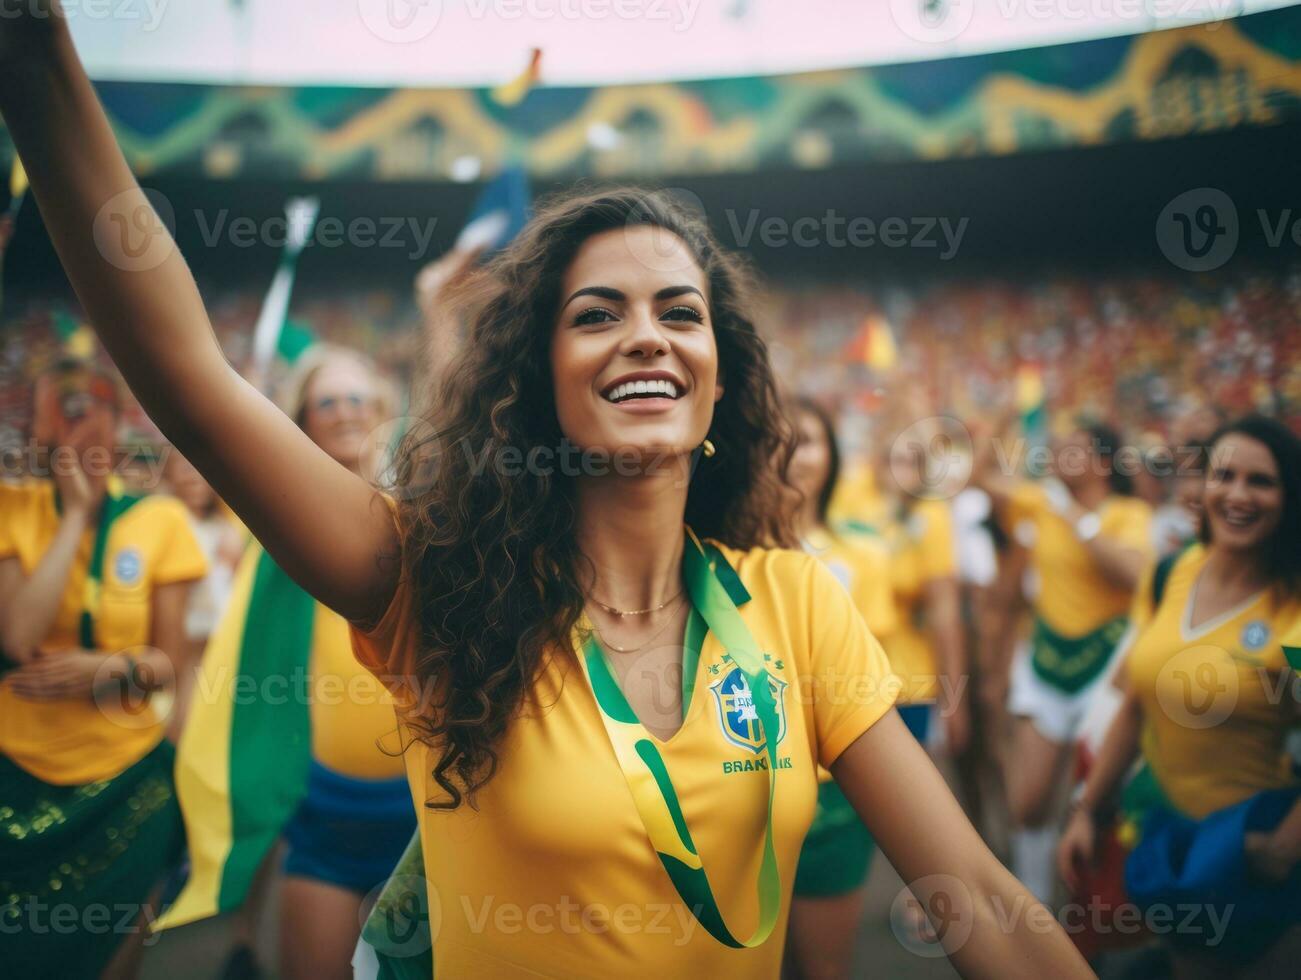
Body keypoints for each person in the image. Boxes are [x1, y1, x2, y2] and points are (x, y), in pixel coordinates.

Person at [0, 14, 1093, 976]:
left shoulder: (797, 606)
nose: (646, 335)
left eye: (679, 310)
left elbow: (971, 889)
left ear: (721, 371)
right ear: (534, 382)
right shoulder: (433, 585)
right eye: (596, 313)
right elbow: (191, 379)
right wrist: (36, 49)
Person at [158, 345, 415, 980]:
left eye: (359, 398)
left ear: (382, 410)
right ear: (302, 418)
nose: (346, 412)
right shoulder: (275, 527)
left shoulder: (427, 517)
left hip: (425, 819)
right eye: (327, 401)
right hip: (322, 814)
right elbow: (217, 431)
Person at [1059, 415, 1301, 977]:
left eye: (1261, 481)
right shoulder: (1173, 572)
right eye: (1224, 475)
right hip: (1169, 843)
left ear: (1289, 496)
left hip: (1251, 859)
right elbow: (1139, 701)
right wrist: (1088, 811)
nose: (1238, 494)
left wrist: (1280, 849)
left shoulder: (1291, 612)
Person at [0, 359, 207, 979]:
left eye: (92, 408)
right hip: (16, 775)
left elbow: (170, 663)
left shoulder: (161, 520)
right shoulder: (12, 505)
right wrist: (73, 517)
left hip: (125, 784)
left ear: (119, 424)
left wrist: (112, 667)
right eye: (60, 410)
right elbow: (18, 637)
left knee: (109, 958)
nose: (77, 425)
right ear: (36, 424)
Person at [976, 421, 1152, 903]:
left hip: (1107, 671)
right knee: (1027, 800)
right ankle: (1034, 902)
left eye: (1071, 448)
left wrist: (1073, 514)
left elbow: (1136, 573)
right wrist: (996, 420)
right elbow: (981, 478)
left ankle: (1096, 917)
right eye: (1056, 447)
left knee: (1097, 803)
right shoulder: (1038, 501)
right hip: (1047, 662)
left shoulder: (1127, 513)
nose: (1056, 454)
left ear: (1101, 462)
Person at [783, 398, 898, 980]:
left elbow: (864, 684)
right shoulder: (710, 553)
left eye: (805, 440)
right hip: (741, 783)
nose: (789, 455)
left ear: (831, 455)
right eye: (772, 440)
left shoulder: (864, 553)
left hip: (833, 790)